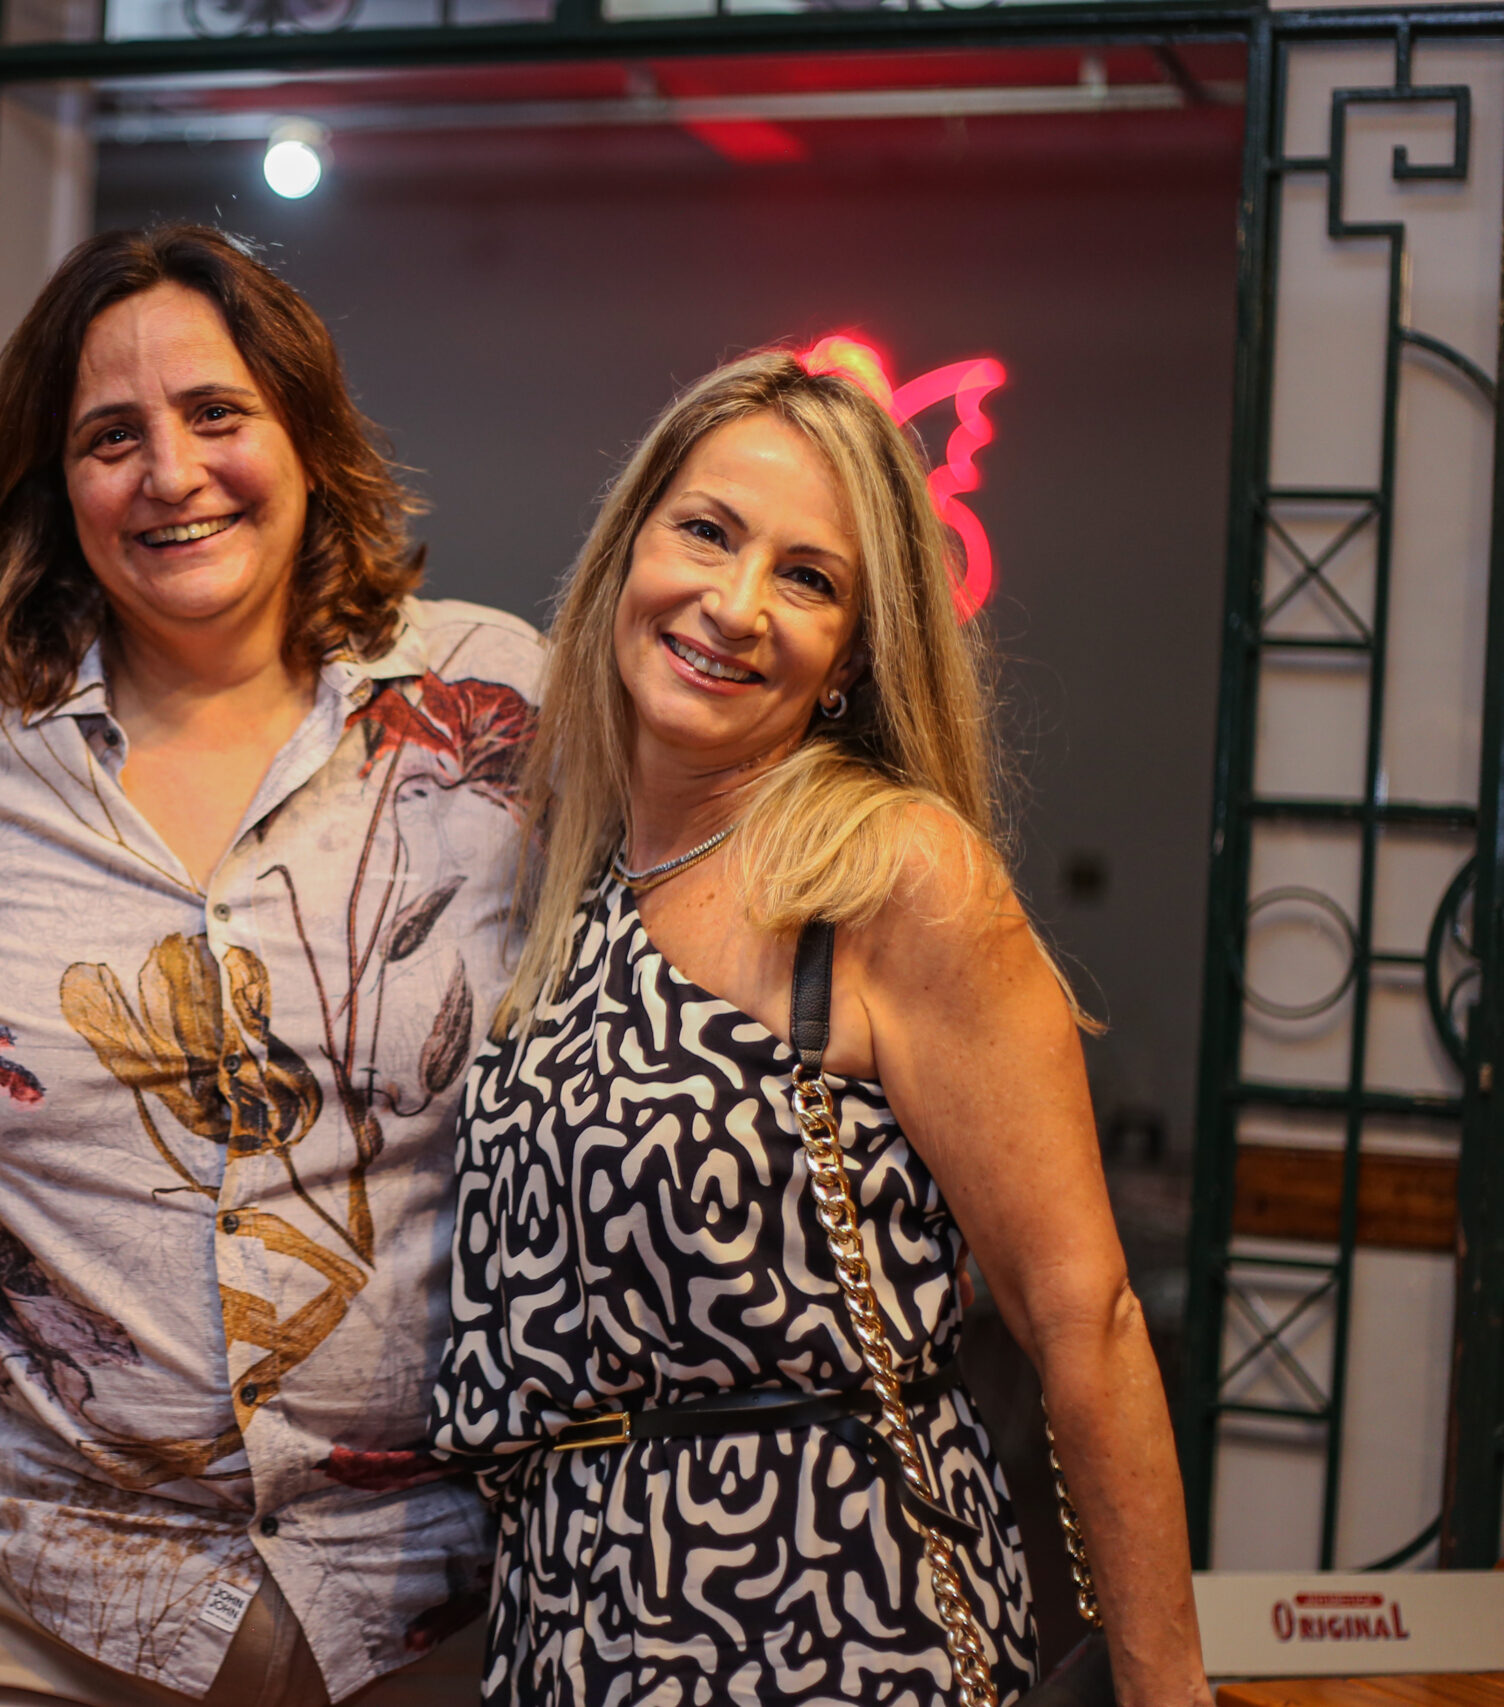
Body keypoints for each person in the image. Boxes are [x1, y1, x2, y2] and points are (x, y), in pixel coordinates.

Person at [434, 350, 1209, 1707]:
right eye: (707, 532)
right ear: (629, 549)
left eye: (807, 579)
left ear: (851, 652)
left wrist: (1166, 1689)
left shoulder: (890, 872)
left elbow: (1081, 1314)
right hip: (575, 1623)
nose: (736, 606)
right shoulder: (573, 878)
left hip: (830, 1617)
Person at [0, 224, 541, 1707]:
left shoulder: (498, 705)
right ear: (53, 482)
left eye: (218, 413)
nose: (171, 473)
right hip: (22, 1584)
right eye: (111, 437)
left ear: (306, 437)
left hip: (432, 1598)